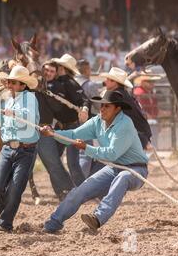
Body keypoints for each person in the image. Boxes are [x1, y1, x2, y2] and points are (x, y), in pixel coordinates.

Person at [42, 90, 149, 233]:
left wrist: (86, 147)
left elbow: (111, 154)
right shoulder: (97, 121)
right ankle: (53, 223)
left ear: (117, 109)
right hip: (113, 168)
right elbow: (74, 134)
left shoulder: (125, 125)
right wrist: (53, 134)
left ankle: (98, 218)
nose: (102, 109)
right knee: (81, 190)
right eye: (101, 105)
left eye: (107, 106)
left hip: (136, 170)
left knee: (123, 178)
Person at [0, 65, 40, 233]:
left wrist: (14, 113)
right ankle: (1, 208)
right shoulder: (7, 100)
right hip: (7, 148)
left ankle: (5, 224)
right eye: (9, 82)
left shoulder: (30, 98)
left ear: (23, 85)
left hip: (26, 150)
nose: (9, 85)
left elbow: (28, 116)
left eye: (12, 82)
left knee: (15, 189)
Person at [34, 54, 90, 200]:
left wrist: (84, 109)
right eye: (48, 70)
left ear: (61, 69)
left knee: (71, 163)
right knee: (55, 161)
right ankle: (64, 190)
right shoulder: (51, 83)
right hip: (60, 127)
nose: (51, 73)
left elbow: (82, 99)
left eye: (54, 70)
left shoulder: (68, 83)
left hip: (72, 127)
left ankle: (81, 192)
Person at [100, 67, 152, 149]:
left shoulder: (116, 95)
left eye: (108, 79)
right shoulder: (123, 94)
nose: (105, 82)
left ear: (115, 83)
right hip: (138, 135)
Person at [75, 59, 104, 178]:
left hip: (71, 122)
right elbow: (98, 105)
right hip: (88, 121)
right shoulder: (90, 85)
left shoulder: (73, 82)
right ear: (87, 69)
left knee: (75, 156)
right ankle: (82, 184)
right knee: (86, 153)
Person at [133, 75, 163, 149]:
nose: (152, 83)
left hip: (148, 120)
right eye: (149, 82)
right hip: (141, 121)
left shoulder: (150, 92)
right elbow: (139, 110)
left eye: (153, 82)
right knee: (153, 124)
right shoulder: (139, 92)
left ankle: (152, 150)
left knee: (154, 123)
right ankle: (150, 149)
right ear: (143, 82)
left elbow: (155, 110)